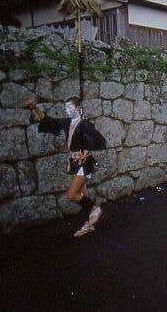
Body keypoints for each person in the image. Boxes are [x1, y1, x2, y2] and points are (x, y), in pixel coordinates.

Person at [27, 97, 104, 238]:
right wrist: (35, 108)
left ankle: (95, 208)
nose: (67, 110)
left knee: (72, 194)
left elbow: (91, 139)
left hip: (83, 164)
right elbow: (49, 121)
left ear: (78, 107)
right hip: (74, 163)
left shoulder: (85, 124)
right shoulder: (68, 122)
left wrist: (85, 152)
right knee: (83, 195)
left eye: (70, 107)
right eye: (66, 108)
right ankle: (89, 223)